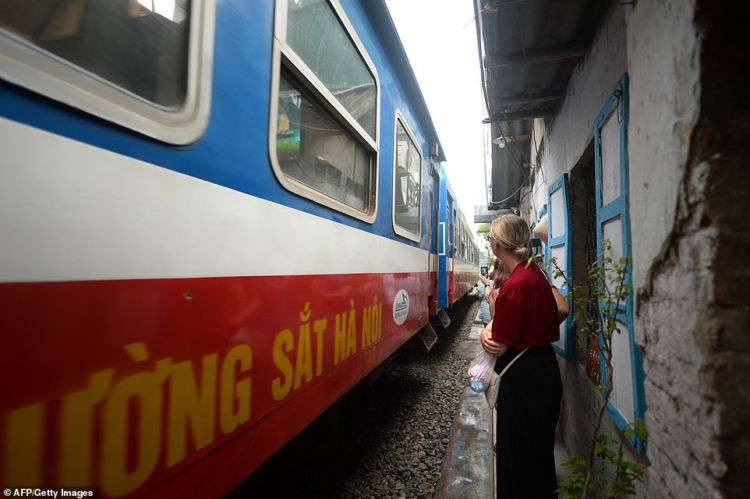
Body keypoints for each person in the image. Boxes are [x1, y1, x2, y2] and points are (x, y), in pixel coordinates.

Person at [480, 214, 563, 498]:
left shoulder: (515, 285)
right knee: (538, 455)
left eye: (491, 237)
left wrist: (489, 328)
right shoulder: (534, 274)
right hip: (542, 369)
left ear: (499, 244)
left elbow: (499, 343)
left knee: (517, 456)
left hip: (523, 381)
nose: (490, 242)